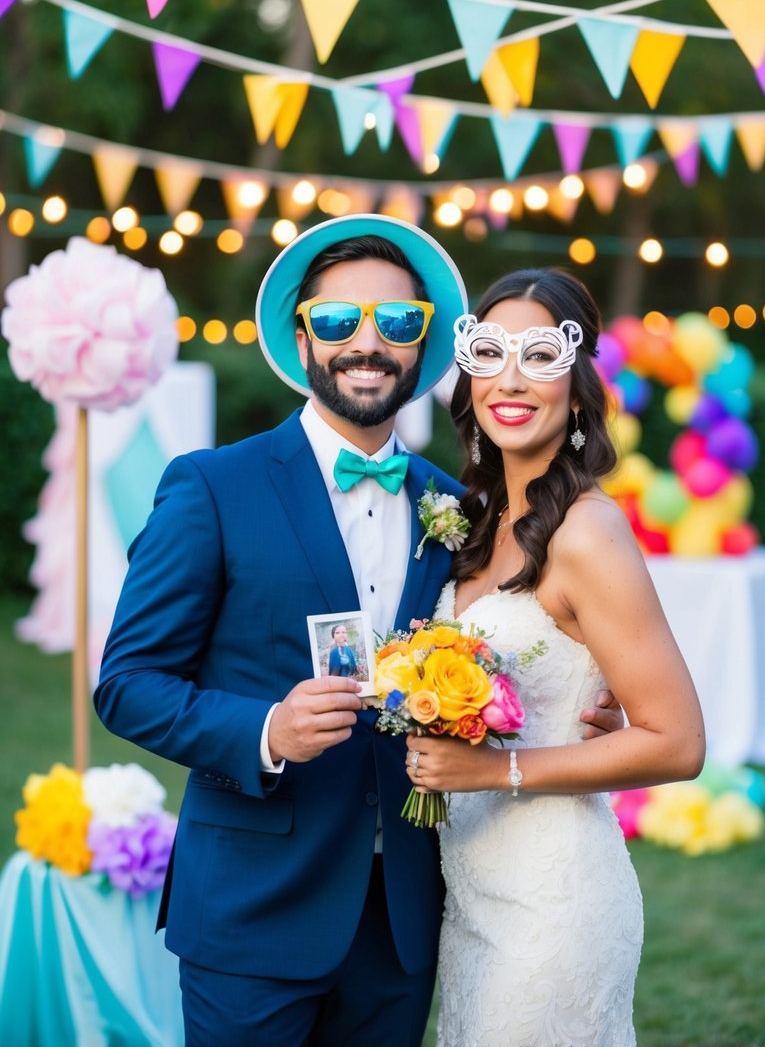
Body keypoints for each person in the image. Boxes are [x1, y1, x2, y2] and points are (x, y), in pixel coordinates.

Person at [94, 217, 622, 1047]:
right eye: (339, 322)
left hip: (406, 917)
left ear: (424, 346)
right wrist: (265, 729)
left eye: (397, 323)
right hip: (253, 911)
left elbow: (503, 641)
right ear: (301, 338)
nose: (367, 345)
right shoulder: (211, 487)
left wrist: (586, 706)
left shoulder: (452, 506)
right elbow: (125, 685)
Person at [406, 268, 706, 1047]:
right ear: (465, 380)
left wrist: (492, 771)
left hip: (554, 900)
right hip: (473, 891)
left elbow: (677, 742)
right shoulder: (471, 522)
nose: (510, 378)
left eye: (538, 356)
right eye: (490, 354)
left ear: (575, 390)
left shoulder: (587, 534)